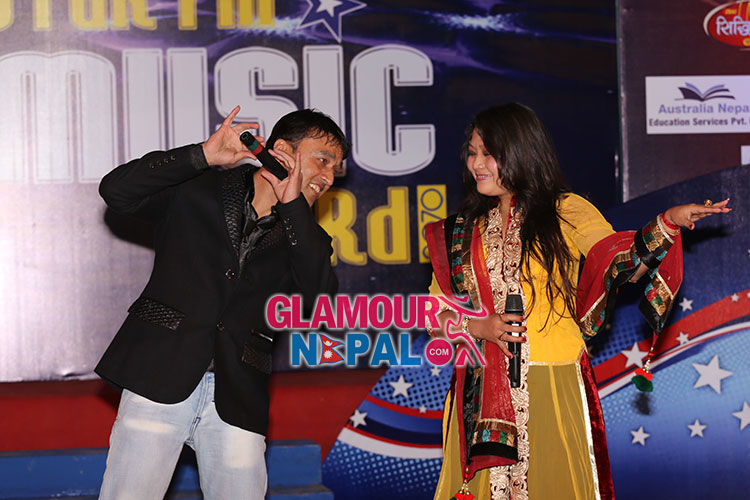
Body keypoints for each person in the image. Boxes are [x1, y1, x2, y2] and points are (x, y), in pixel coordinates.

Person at [424, 103, 730, 500]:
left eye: (489, 153)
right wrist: (478, 326)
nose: (476, 164)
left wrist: (666, 223)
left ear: (520, 152)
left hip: (552, 382)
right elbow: (433, 313)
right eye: (472, 152)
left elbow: (621, 263)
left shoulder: (565, 210)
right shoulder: (460, 232)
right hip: (480, 393)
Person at [95, 106, 348, 499]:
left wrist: (293, 208)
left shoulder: (307, 237)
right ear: (283, 151)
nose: (329, 177)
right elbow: (116, 191)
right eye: (323, 160)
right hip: (160, 370)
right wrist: (201, 156)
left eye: (336, 168)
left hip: (237, 392)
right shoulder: (197, 188)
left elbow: (322, 306)